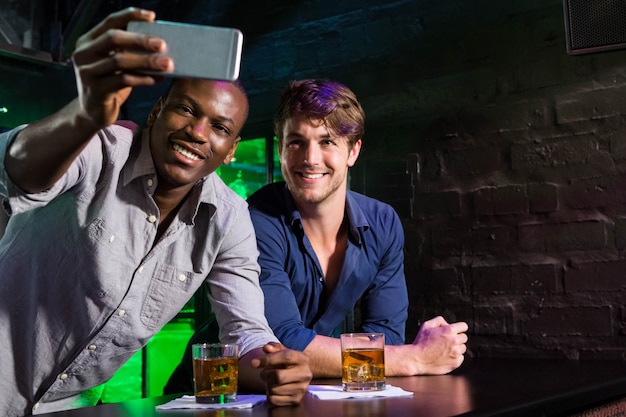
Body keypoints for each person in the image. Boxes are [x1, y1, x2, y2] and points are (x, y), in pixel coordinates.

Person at [0, 8, 311, 416]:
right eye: (186, 110)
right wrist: (85, 113)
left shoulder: (229, 218)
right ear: (156, 111)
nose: (197, 132)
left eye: (219, 128)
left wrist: (276, 368)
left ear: (231, 149)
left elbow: (247, 331)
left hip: (68, 408)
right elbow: (14, 173)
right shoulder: (101, 146)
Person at [246, 78, 469, 378]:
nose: (310, 159)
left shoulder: (382, 222)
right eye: (296, 141)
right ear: (281, 149)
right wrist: (414, 359)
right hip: (221, 390)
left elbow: (386, 336)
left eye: (327, 142)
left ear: (353, 152)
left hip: (309, 391)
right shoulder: (257, 218)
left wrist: (321, 353)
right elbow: (281, 342)